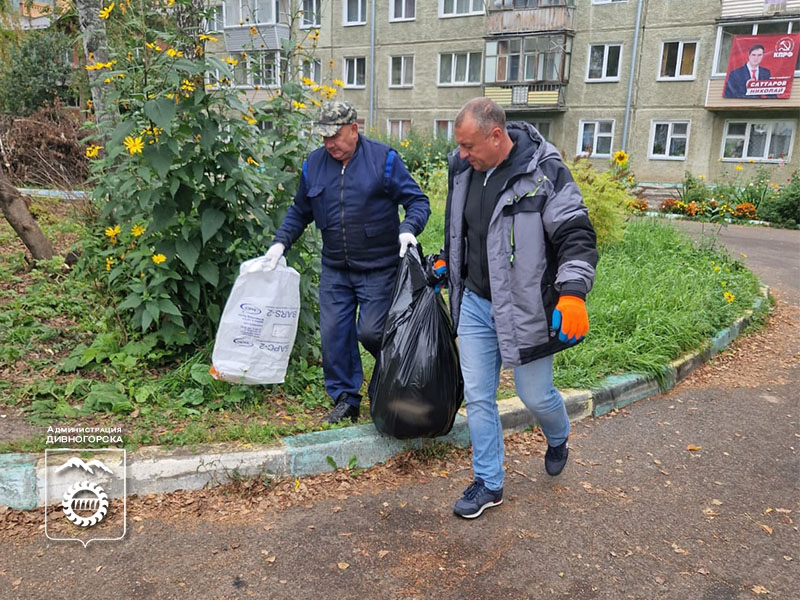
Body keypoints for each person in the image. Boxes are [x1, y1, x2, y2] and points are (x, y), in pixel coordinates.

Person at [438, 98, 597, 519]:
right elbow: (461, 228)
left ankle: (558, 434)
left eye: (469, 145)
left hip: (525, 308)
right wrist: (445, 260)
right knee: (477, 395)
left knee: (534, 394)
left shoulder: (543, 172)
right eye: (460, 147)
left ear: (496, 135)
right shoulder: (462, 169)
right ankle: (489, 482)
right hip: (474, 302)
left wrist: (574, 293)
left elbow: (576, 234)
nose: (462, 154)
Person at [264, 101, 430, 424]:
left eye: (335, 136)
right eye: (324, 138)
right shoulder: (314, 165)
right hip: (336, 269)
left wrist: (408, 229)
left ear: (354, 130)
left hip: (379, 267)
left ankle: (399, 383)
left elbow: (417, 201)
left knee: (370, 332)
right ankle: (345, 399)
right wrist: (280, 243)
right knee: (334, 335)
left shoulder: (383, 160)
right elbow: (300, 210)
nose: (329, 145)